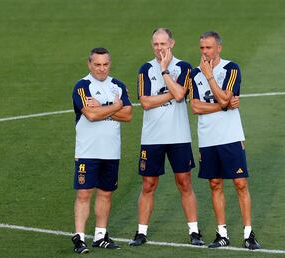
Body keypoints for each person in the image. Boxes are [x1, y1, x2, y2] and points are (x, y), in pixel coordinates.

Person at [128, 28, 204, 246]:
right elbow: (145, 102)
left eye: (163, 44)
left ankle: (194, 231)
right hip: (152, 138)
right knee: (148, 184)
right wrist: (173, 90)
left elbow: (182, 96)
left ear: (172, 43)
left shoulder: (184, 67)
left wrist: (164, 72)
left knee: (184, 183)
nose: (159, 48)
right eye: (155, 45)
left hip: (179, 137)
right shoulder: (145, 69)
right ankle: (141, 232)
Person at [190, 31, 261, 250]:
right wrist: (222, 106)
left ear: (218, 48)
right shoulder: (194, 74)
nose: (205, 52)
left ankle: (248, 234)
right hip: (208, 139)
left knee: (240, 184)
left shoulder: (231, 68)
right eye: (202, 48)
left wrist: (210, 75)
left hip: (231, 137)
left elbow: (224, 96)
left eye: (209, 48)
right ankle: (222, 234)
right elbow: (195, 107)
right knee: (215, 184)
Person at [71, 47, 132, 253]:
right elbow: (90, 115)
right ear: (89, 64)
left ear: (110, 63)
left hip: (111, 151)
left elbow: (128, 115)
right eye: (97, 64)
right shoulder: (82, 85)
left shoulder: (118, 85)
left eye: (105, 64)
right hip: (88, 151)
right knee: (84, 193)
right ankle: (79, 238)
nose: (101, 69)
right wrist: (115, 106)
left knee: (106, 193)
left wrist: (103, 106)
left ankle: (100, 235)